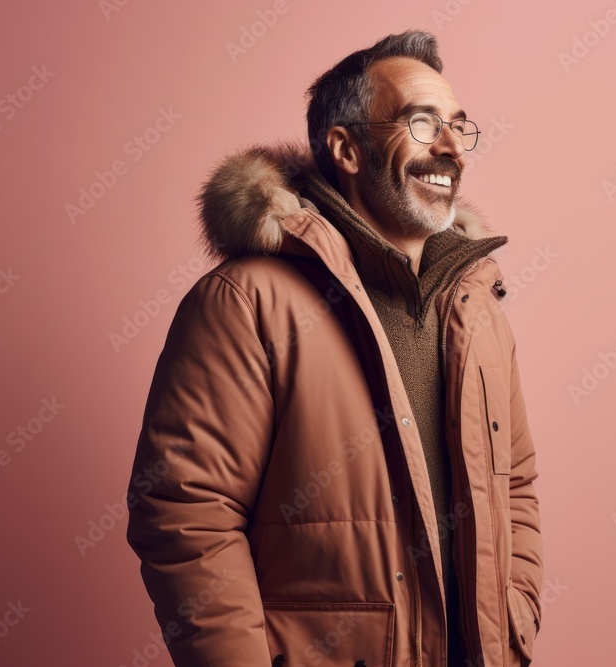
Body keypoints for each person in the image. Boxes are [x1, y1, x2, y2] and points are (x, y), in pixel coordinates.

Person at [125, 28, 543, 667]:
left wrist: (518, 619)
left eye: (460, 125)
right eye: (423, 124)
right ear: (347, 149)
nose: (453, 147)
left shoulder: (477, 307)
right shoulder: (247, 302)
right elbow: (187, 514)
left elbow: (515, 486)